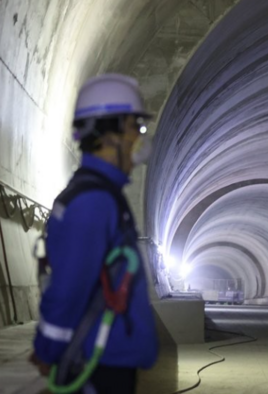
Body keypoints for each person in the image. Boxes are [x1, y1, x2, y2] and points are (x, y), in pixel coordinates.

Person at [30, 74, 158, 393]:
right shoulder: (93, 202)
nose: (139, 139)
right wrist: (48, 349)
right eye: (134, 128)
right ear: (109, 133)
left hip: (110, 360)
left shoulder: (101, 195)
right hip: (99, 367)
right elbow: (69, 288)